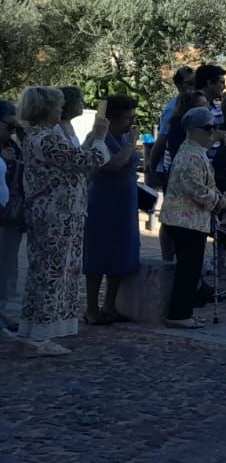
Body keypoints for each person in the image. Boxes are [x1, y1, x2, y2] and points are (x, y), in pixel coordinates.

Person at [15, 87, 109, 355]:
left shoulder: (35, 136)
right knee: (52, 274)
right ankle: (41, 335)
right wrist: (100, 137)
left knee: (44, 273)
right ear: (46, 109)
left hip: (53, 213)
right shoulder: (46, 139)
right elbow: (89, 161)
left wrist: (92, 138)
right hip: (57, 215)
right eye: (56, 106)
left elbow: (74, 161)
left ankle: (33, 331)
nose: (60, 110)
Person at [160, 107, 224, 330]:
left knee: (192, 268)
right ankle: (178, 313)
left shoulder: (196, 152)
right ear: (194, 130)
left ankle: (185, 310)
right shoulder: (190, 155)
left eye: (214, 127)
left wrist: (216, 198)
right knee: (188, 269)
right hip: (185, 220)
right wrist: (218, 201)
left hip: (193, 220)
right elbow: (195, 189)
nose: (212, 132)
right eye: (209, 128)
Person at [83, 95, 141, 326]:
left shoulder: (124, 136)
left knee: (121, 252)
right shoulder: (99, 139)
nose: (131, 122)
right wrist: (131, 143)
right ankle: (91, 308)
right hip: (103, 202)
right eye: (128, 118)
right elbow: (113, 164)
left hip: (124, 203)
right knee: (98, 254)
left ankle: (110, 304)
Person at [0, 102, 22, 329]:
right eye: (9, 126)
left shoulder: (12, 146)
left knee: (5, 267)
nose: (12, 131)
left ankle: (2, 312)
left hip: (10, 216)